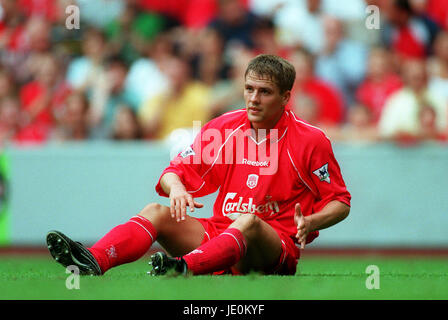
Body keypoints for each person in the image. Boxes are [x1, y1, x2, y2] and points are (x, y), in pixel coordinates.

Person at [46, 54, 351, 276]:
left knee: (248, 221)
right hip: (220, 236)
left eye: (265, 92)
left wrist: (310, 223)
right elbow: (172, 173)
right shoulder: (223, 127)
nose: (254, 99)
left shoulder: (311, 140)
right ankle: (93, 260)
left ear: (285, 97)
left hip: (274, 249)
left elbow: (340, 202)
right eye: (249, 89)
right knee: (156, 211)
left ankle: (183, 267)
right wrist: (177, 188)